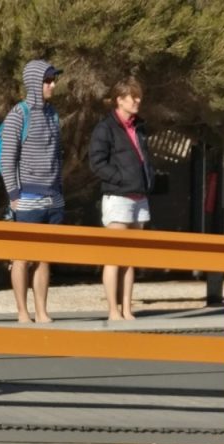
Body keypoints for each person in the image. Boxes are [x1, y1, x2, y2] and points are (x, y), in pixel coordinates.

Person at [0, 60, 64, 324]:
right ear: (36, 82)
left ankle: (42, 311)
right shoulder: (18, 114)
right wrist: (14, 195)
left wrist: (60, 192)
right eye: (48, 80)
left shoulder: (53, 114)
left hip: (53, 197)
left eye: (53, 80)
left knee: (45, 258)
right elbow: (7, 158)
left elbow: (57, 156)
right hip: (27, 199)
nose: (52, 85)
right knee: (21, 258)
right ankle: (23, 312)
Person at [88, 76, 155, 321]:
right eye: (133, 97)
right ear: (120, 100)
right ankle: (113, 310)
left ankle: (127, 308)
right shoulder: (105, 128)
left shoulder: (140, 126)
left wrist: (148, 179)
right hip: (117, 197)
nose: (138, 101)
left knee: (130, 258)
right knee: (114, 257)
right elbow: (97, 163)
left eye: (139, 96)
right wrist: (121, 178)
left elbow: (143, 158)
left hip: (140, 198)